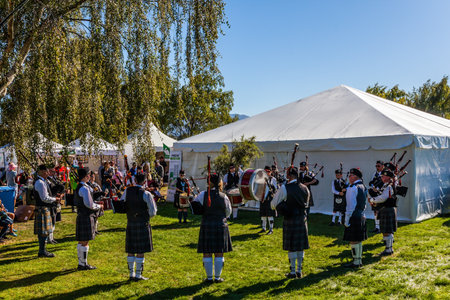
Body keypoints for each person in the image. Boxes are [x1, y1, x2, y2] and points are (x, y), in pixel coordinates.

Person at [191, 173, 232, 283]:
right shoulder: (224, 196)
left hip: (207, 224)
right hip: (220, 225)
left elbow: (194, 206)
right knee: (219, 252)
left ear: (210, 183)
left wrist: (203, 209)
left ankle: (209, 278)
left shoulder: (203, 195)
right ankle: (217, 278)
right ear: (220, 183)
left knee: (207, 252)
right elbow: (228, 212)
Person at [271, 167, 310, 278]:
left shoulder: (284, 188)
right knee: (300, 246)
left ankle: (293, 272)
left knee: (292, 246)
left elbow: (273, 204)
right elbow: (306, 203)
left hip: (290, 219)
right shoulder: (305, 188)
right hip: (302, 219)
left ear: (288, 176)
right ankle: (299, 270)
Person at [120, 173, 157, 281]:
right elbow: (153, 212)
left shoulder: (127, 191)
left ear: (135, 180)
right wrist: (144, 216)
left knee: (131, 249)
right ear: (145, 182)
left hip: (131, 222)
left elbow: (121, 203)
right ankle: (138, 275)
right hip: (142, 223)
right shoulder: (146, 194)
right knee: (140, 250)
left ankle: (131, 274)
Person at [75, 168, 103, 270]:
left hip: (81, 215)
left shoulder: (80, 186)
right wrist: (99, 206)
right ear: (86, 176)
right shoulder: (84, 188)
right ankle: (83, 264)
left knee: (81, 241)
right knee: (85, 241)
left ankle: (81, 263)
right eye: (89, 175)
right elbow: (89, 204)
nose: (90, 177)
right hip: (86, 215)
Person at [34, 165, 62, 257]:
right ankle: (42, 251)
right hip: (42, 208)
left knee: (44, 231)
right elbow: (44, 198)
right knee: (43, 231)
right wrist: (55, 199)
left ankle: (42, 250)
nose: (48, 173)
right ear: (41, 172)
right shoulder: (40, 183)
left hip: (44, 208)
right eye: (46, 171)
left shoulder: (43, 181)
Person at [343, 168, 368, 269]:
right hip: (361, 214)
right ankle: (359, 260)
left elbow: (350, 205)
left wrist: (346, 219)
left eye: (350, 175)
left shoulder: (352, 187)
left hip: (353, 215)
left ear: (356, 176)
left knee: (353, 240)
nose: (349, 177)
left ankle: (356, 262)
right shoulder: (363, 186)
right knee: (358, 240)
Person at [369, 169, 397, 256]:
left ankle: (388, 250)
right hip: (386, 209)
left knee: (387, 231)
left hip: (387, 209)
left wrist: (372, 200)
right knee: (386, 230)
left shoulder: (389, 186)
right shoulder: (386, 185)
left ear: (388, 177)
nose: (382, 177)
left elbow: (383, 198)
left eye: (383, 176)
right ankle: (389, 248)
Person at [259, 166, 278, 235]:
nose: (267, 173)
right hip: (263, 198)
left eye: (268, 171)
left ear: (271, 172)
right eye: (265, 171)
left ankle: (271, 229)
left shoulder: (273, 179)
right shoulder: (261, 179)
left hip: (270, 198)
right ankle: (263, 228)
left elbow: (275, 189)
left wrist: (271, 187)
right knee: (263, 215)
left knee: (270, 214)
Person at [368, 161, 384, 233]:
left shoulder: (385, 174)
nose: (377, 167)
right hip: (375, 194)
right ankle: (377, 227)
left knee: (381, 211)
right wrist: (373, 187)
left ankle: (381, 227)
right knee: (375, 211)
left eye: (379, 166)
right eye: (376, 166)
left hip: (382, 195)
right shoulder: (374, 174)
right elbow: (371, 182)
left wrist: (378, 189)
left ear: (382, 166)